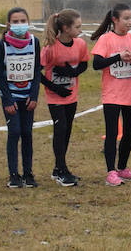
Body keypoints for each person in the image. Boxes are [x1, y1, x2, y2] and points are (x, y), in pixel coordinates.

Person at [91, 4, 131, 186]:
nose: (130, 22)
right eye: (126, 18)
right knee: (112, 133)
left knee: (129, 134)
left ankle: (122, 168)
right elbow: (97, 64)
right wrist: (118, 57)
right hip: (112, 96)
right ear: (115, 20)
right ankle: (110, 172)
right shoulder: (106, 39)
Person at [0, 8, 43, 188]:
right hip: (11, 97)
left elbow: (37, 70)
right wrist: (7, 99)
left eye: (23, 20)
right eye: (15, 21)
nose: (19, 24)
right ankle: (14, 174)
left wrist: (34, 95)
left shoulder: (34, 42)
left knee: (27, 133)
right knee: (14, 132)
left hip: (28, 97)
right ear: (8, 25)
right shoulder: (3, 45)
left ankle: (28, 173)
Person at [40, 9, 87, 187]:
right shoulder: (50, 47)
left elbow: (84, 64)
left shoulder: (80, 44)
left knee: (67, 131)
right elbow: (38, 72)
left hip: (71, 95)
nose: (80, 30)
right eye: (77, 27)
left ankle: (57, 168)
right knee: (60, 129)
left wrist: (72, 72)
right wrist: (53, 87)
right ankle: (62, 170)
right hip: (55, 97)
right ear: (66, 28)